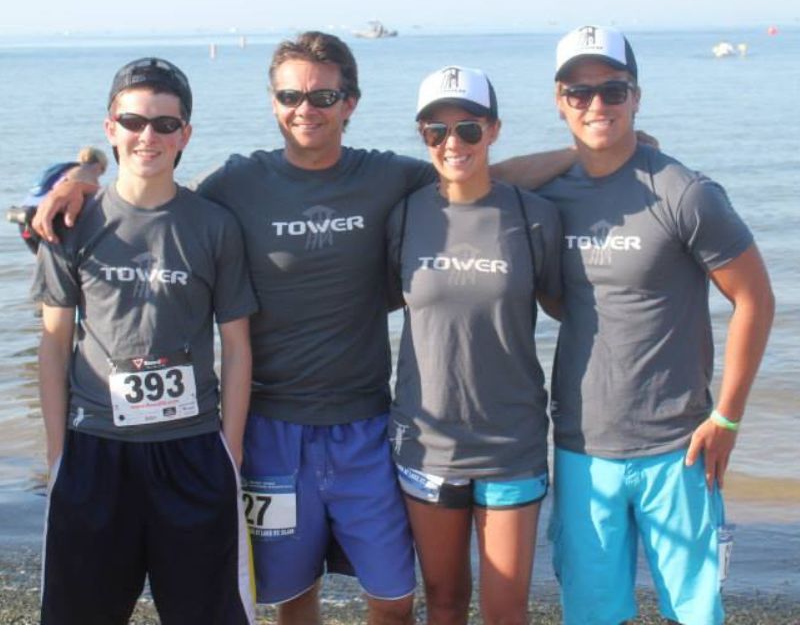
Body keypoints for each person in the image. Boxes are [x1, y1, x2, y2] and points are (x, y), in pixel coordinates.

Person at [32, 32, 577, 625]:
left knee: (393, 596)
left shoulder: (389, 179)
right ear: (272, 101)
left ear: (351, 102)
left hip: (366, 428)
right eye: (291, 95)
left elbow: (477, 178)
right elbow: (155, 198)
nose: (306, 109)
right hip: (269, 431)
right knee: (290, 596)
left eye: (323, 96)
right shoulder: (235, 185)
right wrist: (83, 176)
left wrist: (586, 156)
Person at [537, 25, 775, 625]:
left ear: (636, 97)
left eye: (612, 92)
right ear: (558, 99)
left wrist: (728, 416)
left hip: (680, 448)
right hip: (582, 446)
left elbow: (755, 300)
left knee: (696, 613)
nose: (596, 105)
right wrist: (577, 153)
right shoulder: (546, 196)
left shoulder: (684, 192)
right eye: (578, 92)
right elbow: (475, 181)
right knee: (591, 613)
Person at [32, 57, 257, 624]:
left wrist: (229, 449)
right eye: (134, 122)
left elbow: (235, 345)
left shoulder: (213, 225)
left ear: (185, 133)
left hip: (192, 452)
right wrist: (60, 453)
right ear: (111, 128)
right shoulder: (71, 223)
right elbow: (55, 343)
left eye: (164, 123)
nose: (147, 136)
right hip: (95, 451)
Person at [386, 66, 562, 625]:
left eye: (468, 128)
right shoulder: (406, 214)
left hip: (511, 441)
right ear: (422, 138)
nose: (452, 143)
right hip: (428, 440)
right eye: (436, 131)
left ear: (493, 130)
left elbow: (575, 309)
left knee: (506, 610)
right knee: (442, 600)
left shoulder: (535, 217)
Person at [7, 146, 108, 253]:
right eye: (102, 171)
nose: (99, 176)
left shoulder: (64, 169)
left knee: (44, 262)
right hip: (44, 218)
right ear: (98, 166)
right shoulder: (85, 173)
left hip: (23, 218)